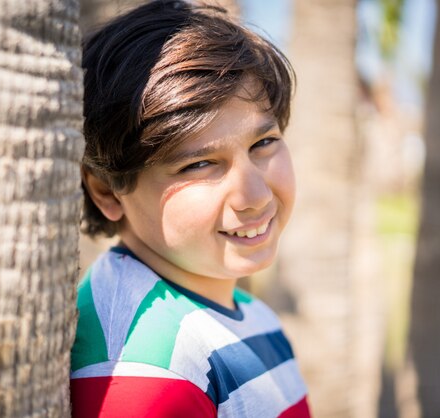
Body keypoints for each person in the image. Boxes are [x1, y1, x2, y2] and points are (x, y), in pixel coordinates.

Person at [70, 1, 310, 416]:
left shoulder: (247, 310)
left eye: (263, 143)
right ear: (107, 192)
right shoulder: (142, 369)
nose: (254, 195)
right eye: (199, 164)